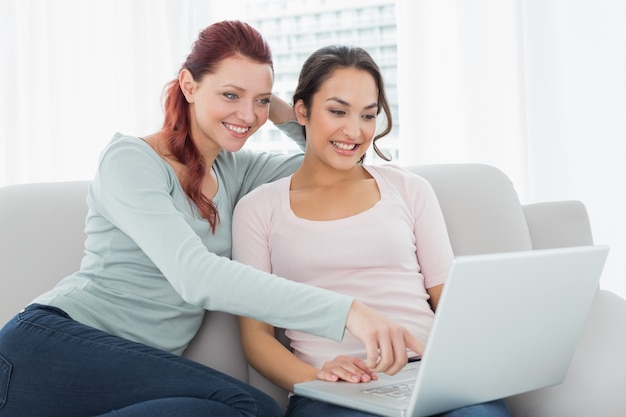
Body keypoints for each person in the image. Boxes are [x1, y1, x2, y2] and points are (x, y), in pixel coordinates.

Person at [0, 22, 422, 417]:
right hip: (49, 346)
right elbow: (195, 275)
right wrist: (348, 312)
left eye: (259, 100)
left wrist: (278, 109)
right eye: (230, 95)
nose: (247, 116)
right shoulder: (130, 161)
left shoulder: (233, 171)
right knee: (250, 408)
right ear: (189, 85)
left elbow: (336, 156)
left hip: (129, 367)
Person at [232, 45, 512, 417]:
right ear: (302, 110)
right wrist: (317, 376)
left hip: (427, 376)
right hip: (329, 390)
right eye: (337, 111)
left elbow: (448, 300)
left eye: (368, 115)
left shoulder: (409, 189)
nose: (354, 131)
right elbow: (256, 339)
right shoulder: (259, 208)